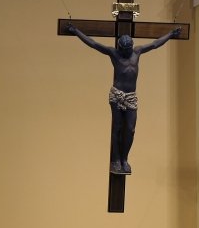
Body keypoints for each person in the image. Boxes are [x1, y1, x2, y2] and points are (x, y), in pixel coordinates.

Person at [66, 23, 182, 175]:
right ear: (119, 47)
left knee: (130, 129)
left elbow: (155, 44)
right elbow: (93, 43)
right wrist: (76, 31)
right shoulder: (113, 53)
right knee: (117, 128)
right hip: (117, 95)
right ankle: (115, 161)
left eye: (129, 49)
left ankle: (124, 158)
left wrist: (171, 34)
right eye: (124, 49)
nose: (127, 52)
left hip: (131, 96)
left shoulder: (137, 52)